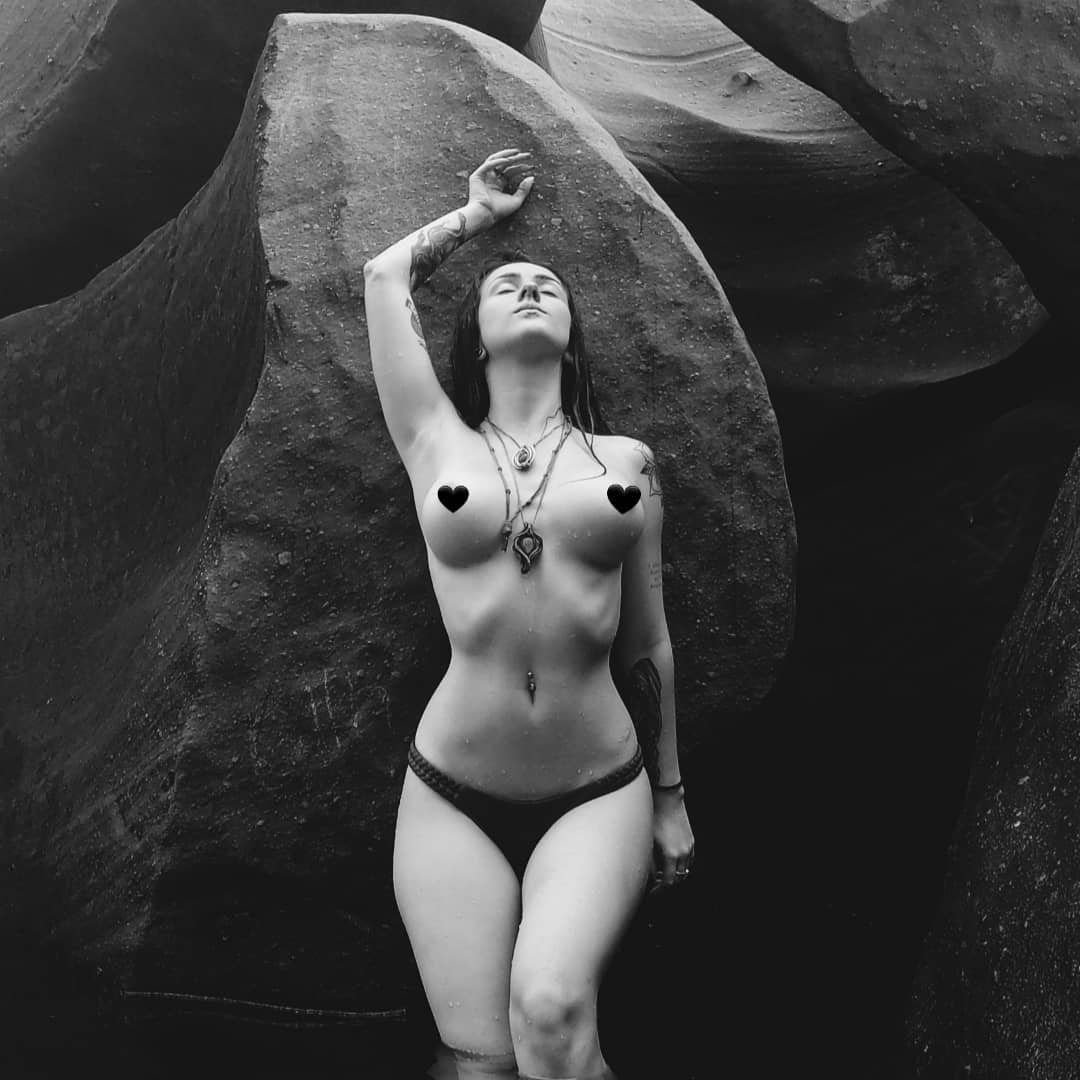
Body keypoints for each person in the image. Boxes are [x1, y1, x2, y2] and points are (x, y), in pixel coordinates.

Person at [363, 149, 694, 1080]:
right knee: (480, 1065)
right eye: (505, 286)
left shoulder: (626, 462)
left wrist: (671, 795)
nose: (528, 288)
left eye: (548, 285)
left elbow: (649, 639)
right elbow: (383, 278)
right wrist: (476, 217)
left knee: (550, 1015)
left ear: (573, 338)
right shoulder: (434, 440)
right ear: (473, 338)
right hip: (450, 794)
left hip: (600, 788)